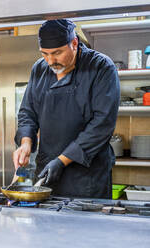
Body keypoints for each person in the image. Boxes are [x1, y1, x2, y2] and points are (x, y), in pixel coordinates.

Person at [13, 19, 120, 199]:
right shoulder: (39, 69)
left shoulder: (101, 66)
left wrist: (62, 161)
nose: (50, 61)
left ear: (74, 43)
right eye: (44, 54)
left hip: (86, 175)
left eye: (57, 53)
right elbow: (27, 112)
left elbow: (102, 124)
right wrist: (25, 142)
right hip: (47, 171)